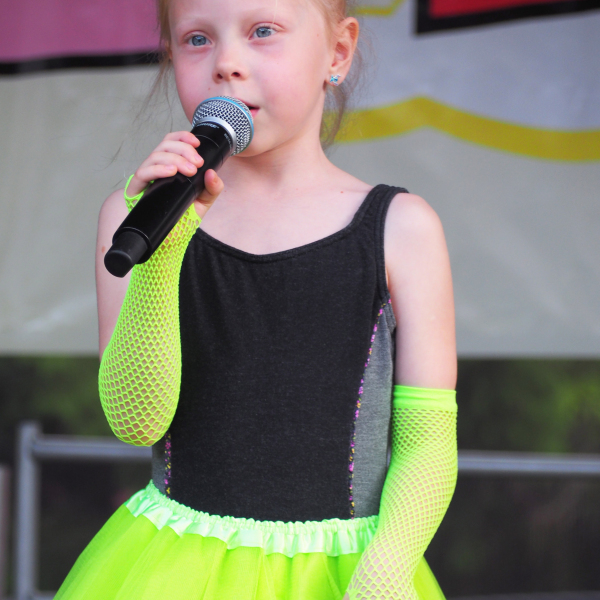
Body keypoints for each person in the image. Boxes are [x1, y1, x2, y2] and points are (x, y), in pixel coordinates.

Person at [56, 0, 457, 597]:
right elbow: (137, 421)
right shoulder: (137, 215)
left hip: (349, 572)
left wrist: (386, 569)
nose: (227, 63)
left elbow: (427, 443)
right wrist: (160, 259)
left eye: (262, 31)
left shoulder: (402, 227)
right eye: (197, 39)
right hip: (173, 570)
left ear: (337, 52)